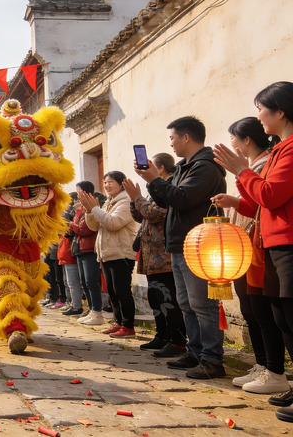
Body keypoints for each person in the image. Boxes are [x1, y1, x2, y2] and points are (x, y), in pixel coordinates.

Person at [213, 83, 293, 419]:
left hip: (286, 241)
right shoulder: (279, 151)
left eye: (261, 108)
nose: (258, 115)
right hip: (273, 241)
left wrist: (240, 172)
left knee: (287, 314)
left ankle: (274, 369)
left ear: (280, 111)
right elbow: (263, 200)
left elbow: (272, 195)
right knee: (280, 314)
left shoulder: (288, 150)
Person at [136, 115, 227, 380]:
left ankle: (212, 359)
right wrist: (151, 180)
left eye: (173, 138)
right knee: (186, 303)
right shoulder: (184, 167)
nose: (171, 144)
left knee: (202, 304)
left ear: (186, 137)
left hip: (198, 242)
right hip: (179, 243)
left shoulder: (206, 167)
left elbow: (183, 199)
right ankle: (195, 351)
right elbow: (167, 201)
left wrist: (155, 178)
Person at [124, 153, 186, 358]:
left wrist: (137, 198)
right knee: (155, 297)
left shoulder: (167, 187)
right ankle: (162, 334)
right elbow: (139, 216)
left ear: (159, 168)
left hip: (164, 253)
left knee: (169, 299)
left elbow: (155, 214)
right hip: (151, 254)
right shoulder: (154, 188)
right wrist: (135, 200)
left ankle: (176, 340)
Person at [79, 171, 139, 338]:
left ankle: (128, 326)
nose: (107, 185)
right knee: (112, 292)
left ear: (121, 184)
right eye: (105, 182)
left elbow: (113, 223)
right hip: (107, 253)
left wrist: (96, 208)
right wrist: (89, 210)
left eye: (111, 182)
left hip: (121, 252)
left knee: (122, 291)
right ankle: (119, 322)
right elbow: (94, 227)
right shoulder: (108, 202)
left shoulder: (126, 201)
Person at [71, 181, 105, 326]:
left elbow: (85, 229)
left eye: (78, 190)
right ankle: (92, 310)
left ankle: (97, 311)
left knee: (91, 281)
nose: (77, 193)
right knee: (85, 282)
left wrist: (71, 225)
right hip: (80, 248)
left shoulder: (92, 205)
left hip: (89, 248)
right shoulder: (79, 208)